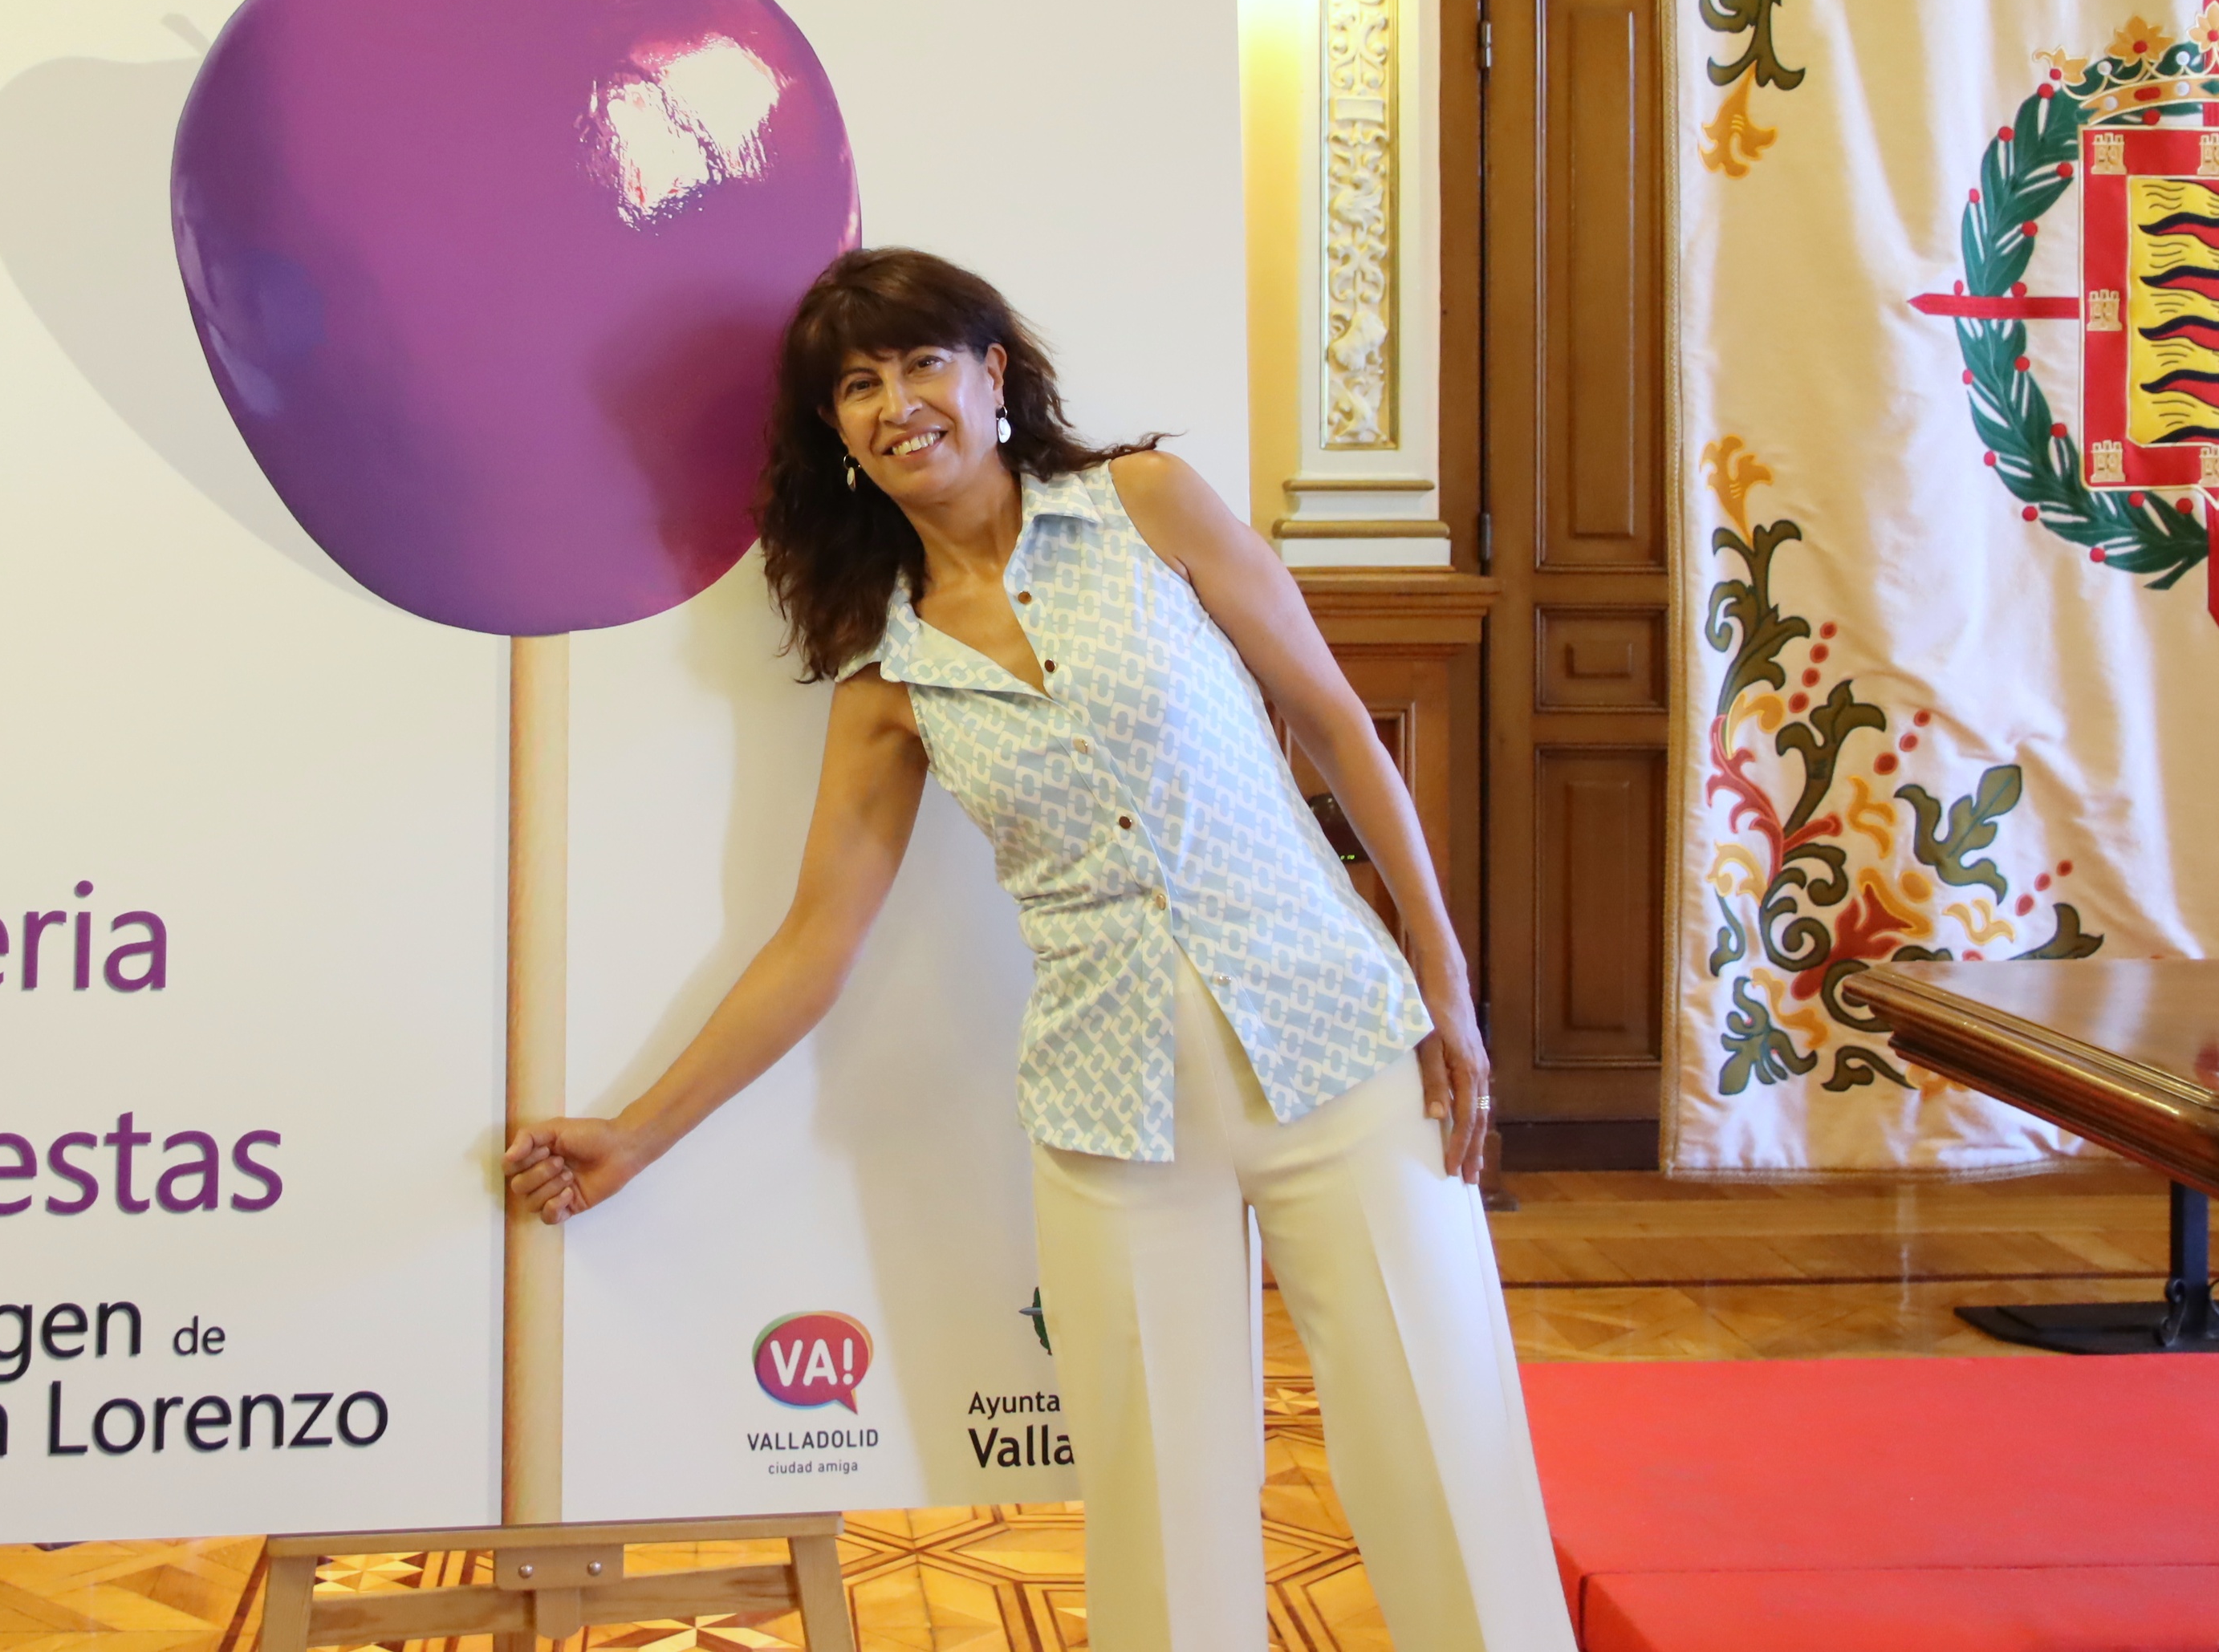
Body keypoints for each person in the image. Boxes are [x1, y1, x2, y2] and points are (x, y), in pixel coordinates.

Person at [506, 247, 1571, 1652]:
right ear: (836, 432)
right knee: (1160, 1513)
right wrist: (637, 1134)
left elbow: (1333, 718)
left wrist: (1445, 982)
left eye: (923, 362)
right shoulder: (888, 678)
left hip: (1339, 1042)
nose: (899, 403)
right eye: (859, 384)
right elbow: (814, 943)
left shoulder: (1148, 503)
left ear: (993, 373)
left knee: (1446, 1453)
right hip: (1115, 1114)